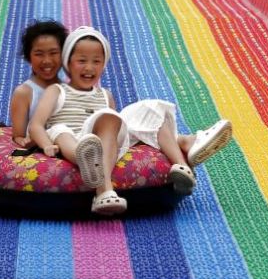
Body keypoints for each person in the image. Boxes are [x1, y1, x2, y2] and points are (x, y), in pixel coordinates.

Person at [28, 26, 232, 216]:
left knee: (141, 112)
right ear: (68, 63)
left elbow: (116, 132)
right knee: (63, 130)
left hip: (100, 139)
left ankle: (185, 152)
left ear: (103, 64)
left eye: (96, 61)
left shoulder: (105, 95)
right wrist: (46, 144)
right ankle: (102, 187)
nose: (89, 67)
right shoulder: (57, 91)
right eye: (82, 60)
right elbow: (36, 124)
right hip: (70, 137)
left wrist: (116, 134)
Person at [9, 20, 68, 148]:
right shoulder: (24, 93)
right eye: (39, 54)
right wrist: (24, 141)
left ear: (64, 55)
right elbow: (18, 135)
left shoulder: (68, 89)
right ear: (29, 57)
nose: (47, 61)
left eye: (53, 53)